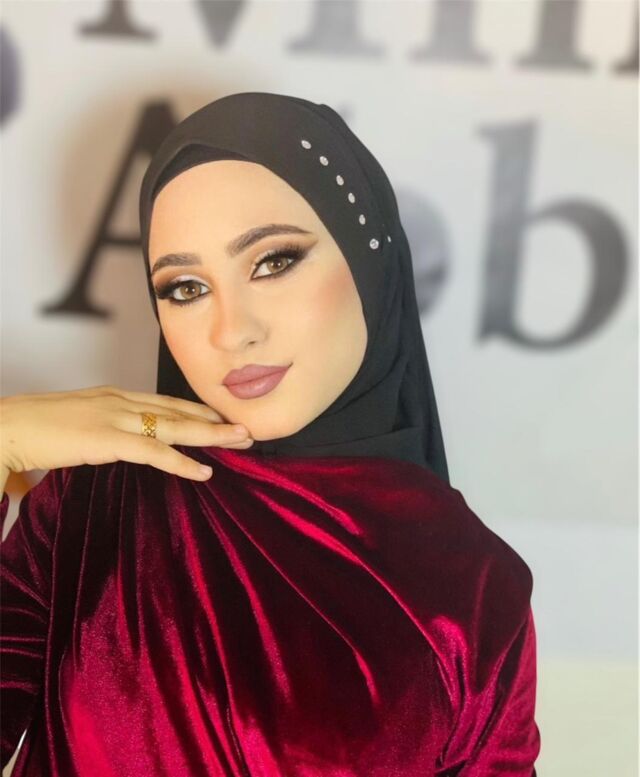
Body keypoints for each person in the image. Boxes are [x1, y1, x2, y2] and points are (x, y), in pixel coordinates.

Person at [0, 91, 541, 775]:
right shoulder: (98, 501)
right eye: (186, 288)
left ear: (368, 261)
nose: (233, 331)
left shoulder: (475, 589)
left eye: (273, 261)